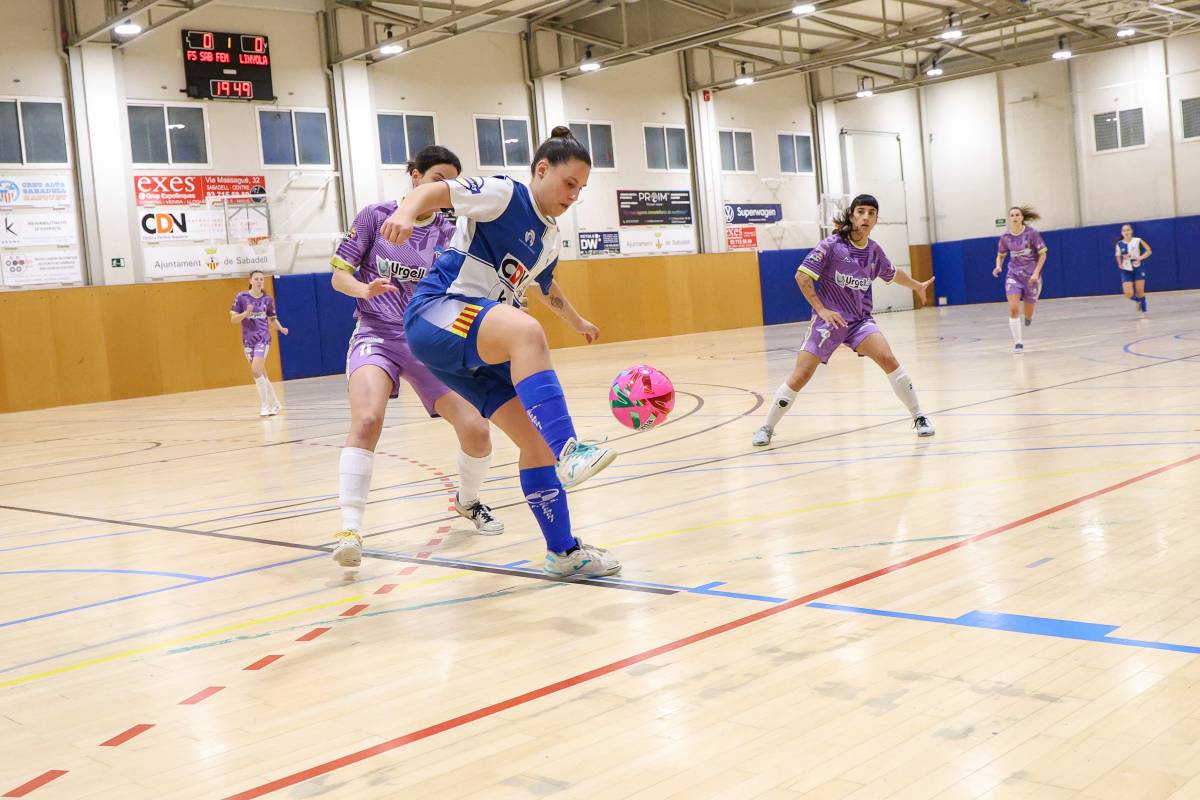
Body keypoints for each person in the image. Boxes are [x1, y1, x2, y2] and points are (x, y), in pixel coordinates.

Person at [381, 126, 620, 578]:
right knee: (526, 334)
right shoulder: (504, 194)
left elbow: (546, 289)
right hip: (438, 312)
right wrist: (407, 212)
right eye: (569, 183)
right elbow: (437, 190)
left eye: (582, 190)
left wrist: (578, 321)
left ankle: (563, 553)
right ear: (542, 169)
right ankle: (570, 447)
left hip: (470, 345)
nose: (574, 196)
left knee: (535, 446)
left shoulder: (548, 239)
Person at [329, 146, 504, 568]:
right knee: (367, 420)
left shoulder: (453, 231)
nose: (442, 190)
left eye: (450, 184)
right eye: (436, 179)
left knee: (477, 430)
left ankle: (468, 500)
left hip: (427, 338)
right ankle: (350, 528)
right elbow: (339, 276)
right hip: (376, 333)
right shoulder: (375, 216)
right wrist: (364, 289)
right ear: (414, 176)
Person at [752, 194, 935, 447]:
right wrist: (822, 310)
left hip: (859, 322)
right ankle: (766, 427)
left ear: (876, 220)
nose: (866, 217)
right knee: (801, 375)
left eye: (872, 213)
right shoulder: (831, 245)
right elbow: (801, 277)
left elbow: (892, 274)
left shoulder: (874, 251)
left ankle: (920, 417)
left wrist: (916, 286)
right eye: (861, 211)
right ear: (852, 215)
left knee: (889, 359)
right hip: (829, 322)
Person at [230, 270, 287, 416]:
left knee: (256, 370)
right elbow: (233, 320)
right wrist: (245, 314)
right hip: (248, 341)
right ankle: (276, 404)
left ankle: (264, 406)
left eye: (262, 279)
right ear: (250, 281)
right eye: (256, 279)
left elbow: (272, 318)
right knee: (262, 373)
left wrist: (281, 328)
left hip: (263, 339)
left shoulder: (267, 299)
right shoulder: (241, 297)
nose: (259, 281)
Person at [993, 206, 1047, 353]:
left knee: (1028, 313)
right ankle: (1018, 342)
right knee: (1013, 308)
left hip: (1031, 278)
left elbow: (1043, 254)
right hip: (1013, 276)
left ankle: (1029, 317)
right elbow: (1001, 255)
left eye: (1017, 215)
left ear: (1022, 217)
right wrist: (998, 266)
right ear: (1009, 219)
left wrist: (1036, 273)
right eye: (1012, 215)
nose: (1015, 217)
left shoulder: (1032, 234)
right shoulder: (1006, 237)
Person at [1114, 223, 1151, 314]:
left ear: (1131, 231)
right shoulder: (1119, 244)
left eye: (1128, 230)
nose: (1126, 232)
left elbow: (1149, 251)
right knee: (1128, 293)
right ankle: (1138, 300)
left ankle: (1144, 311)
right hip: (1126, 269)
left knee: (1140, 291)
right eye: (1124, 230)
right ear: (1122, 232)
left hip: (1138, 267)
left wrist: (1141, 257)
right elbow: (1118, 255)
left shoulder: (1137, 240)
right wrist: (1119, 264)